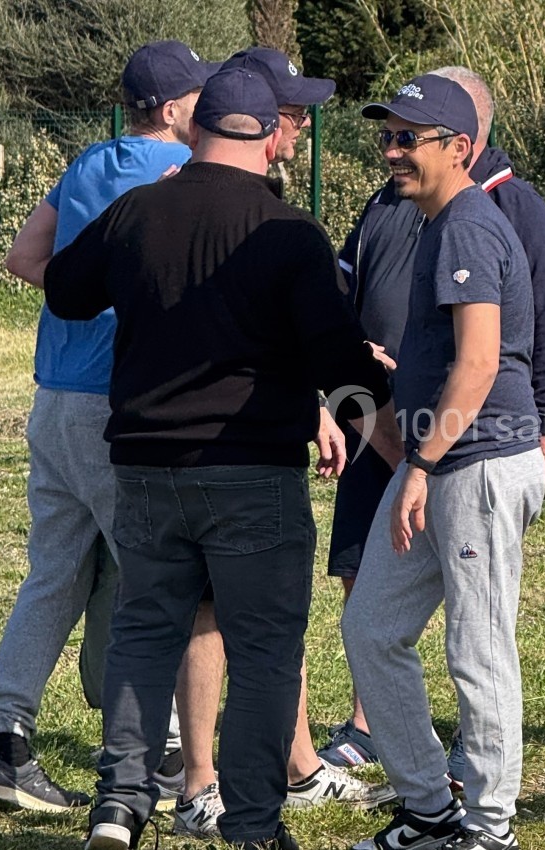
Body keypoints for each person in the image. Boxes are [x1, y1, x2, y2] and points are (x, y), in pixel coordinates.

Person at [44, 67, 404, 850]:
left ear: (195, 126)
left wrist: (129, 222)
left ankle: (120, 803)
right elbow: (339, 365)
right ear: (269, 136)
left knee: (145, 631)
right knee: (265, 651)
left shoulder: (139, 209)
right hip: (251, 473)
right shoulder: (288, 232)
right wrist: (388, 407)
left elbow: (67, 291)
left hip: (143, 468)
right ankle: (251, 825)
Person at [0, 39, 216, 814]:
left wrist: (88, 291)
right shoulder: (175, 177)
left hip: (55, 398)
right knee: (160, 577)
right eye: (200, 98)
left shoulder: (88, 164)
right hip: (122, 404)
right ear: (176, 108)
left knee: (55, 575)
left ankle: (5, 745)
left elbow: (23, 257)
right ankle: (171, 752)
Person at [162, 46, 396, 841]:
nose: (302, 123)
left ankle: (278, 767)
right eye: (292, 110)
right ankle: (220, 789)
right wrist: (384, 429)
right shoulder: (258, 216)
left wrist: (321, 411)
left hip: (194, 448)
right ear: (255, 118)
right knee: (240, 621)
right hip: (232, 458)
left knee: (232, 617)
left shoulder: (216, 199)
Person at [319, 66, 545, 785]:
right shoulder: (423, 218)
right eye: (388, 137)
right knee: (371, 628)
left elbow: (482, 364)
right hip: (430, 452)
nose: (393, 150)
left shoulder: (474, 222)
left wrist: (421, 466)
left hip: (475, 463)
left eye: (410, 138)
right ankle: (429, 802)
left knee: (478, 648)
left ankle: (488, 822)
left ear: (461, 146)